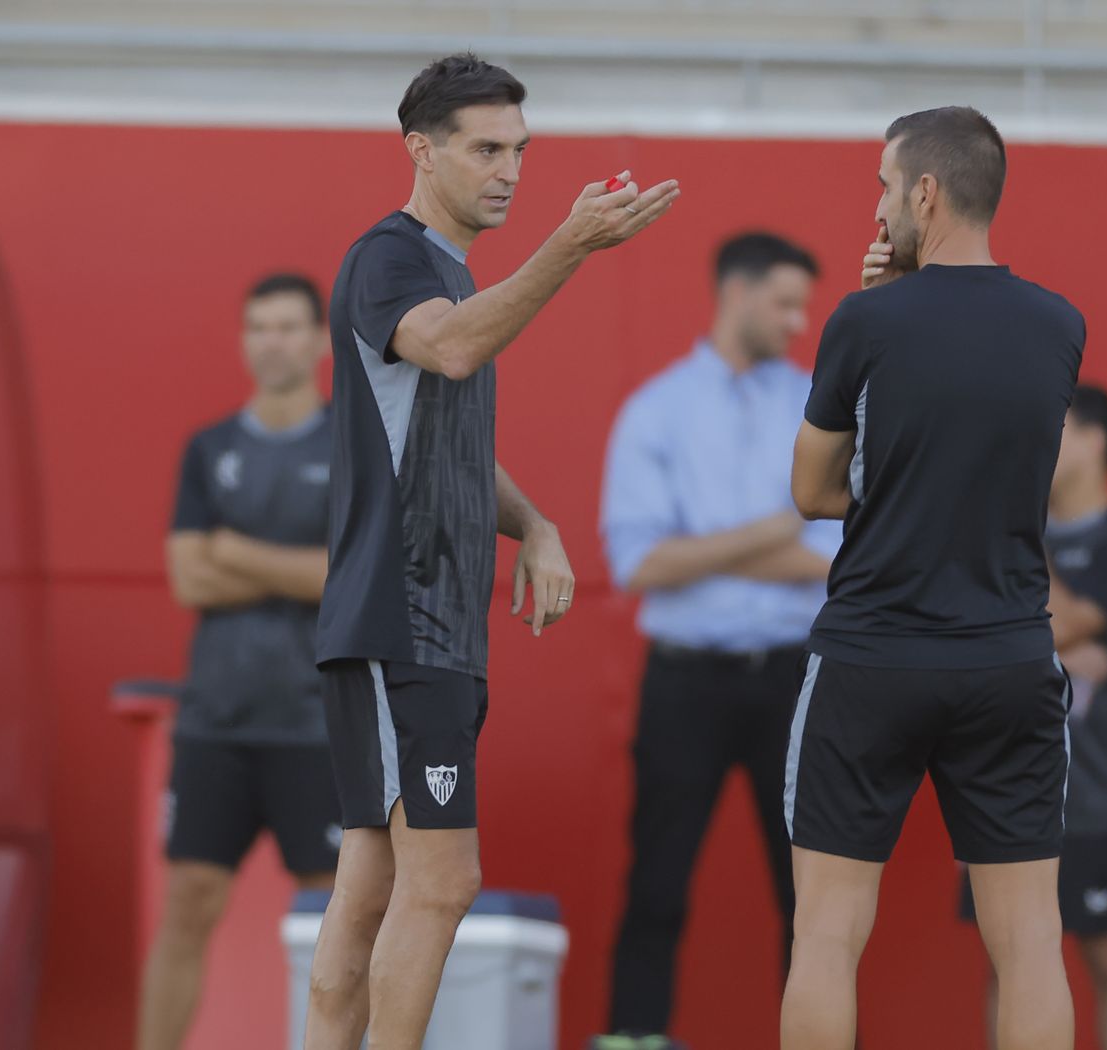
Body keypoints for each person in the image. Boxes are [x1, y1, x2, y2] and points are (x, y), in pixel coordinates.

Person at [301, 53, 680, 1050]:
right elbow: (457, 348)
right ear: (421, 152)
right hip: (401, 616)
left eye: (519, 150)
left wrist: (539, 525)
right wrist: (569, 247)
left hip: (426, 623)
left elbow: (448, 443)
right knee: (441, 882)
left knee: (371, 887)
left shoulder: (450, 272)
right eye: (484, 150)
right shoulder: (392, 258)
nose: (508, 170)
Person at [781, 105, 1083, 1050]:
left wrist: (888, 297)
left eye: (882, 186)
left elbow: (810, 490)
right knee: (1031, 939)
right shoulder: (1060, 326)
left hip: (872, 655)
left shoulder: (865, 319)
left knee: (827, 934)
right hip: (1008, 656)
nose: (876, 208)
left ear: (924, 191)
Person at [596, 232, 837, 1048]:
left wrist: (706, 547)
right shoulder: (656, 410)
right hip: (686, 682)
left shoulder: (820, 411)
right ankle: (635, 1036)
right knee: (656, 884)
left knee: (812, 897)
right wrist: (778, 527)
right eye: (785, 302)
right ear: (735, 294)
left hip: (796, 685)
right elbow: (641, 562)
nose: (801, 322)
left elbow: (837, 562)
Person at [141, 272, 337, 1050]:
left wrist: (235, 550)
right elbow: (189, 577)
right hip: (216, 718)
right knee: (187, 902)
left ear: (322, 341)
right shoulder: (209, 448)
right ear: (243, 342)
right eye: (259, 327)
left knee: (332, 919)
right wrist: (296, 568)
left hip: (319, 721)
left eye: (289, 327)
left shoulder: (350, 444)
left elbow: (347, 579)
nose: (273, 341)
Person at [958, 384, 1107, 1050]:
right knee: (1004, 959)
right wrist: (1059, 641)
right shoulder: (1006, 537)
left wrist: (1014, 532)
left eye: (1054, 427)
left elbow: (1062, 618)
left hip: (1095, 794)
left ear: (1096, 440)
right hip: (997, 782)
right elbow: (973, 630)